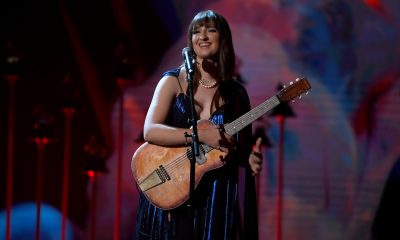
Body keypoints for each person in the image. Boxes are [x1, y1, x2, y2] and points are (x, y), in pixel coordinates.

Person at [135, 10, 261, 240]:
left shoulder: (236, 94)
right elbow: (150, 130)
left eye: (210, 30)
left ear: (223, 38)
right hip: (172, 188)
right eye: (196, 31)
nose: (202, 36)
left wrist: (248, 159)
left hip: (216, 198)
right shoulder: (172, 81)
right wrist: (199, 136)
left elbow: (236, 148)